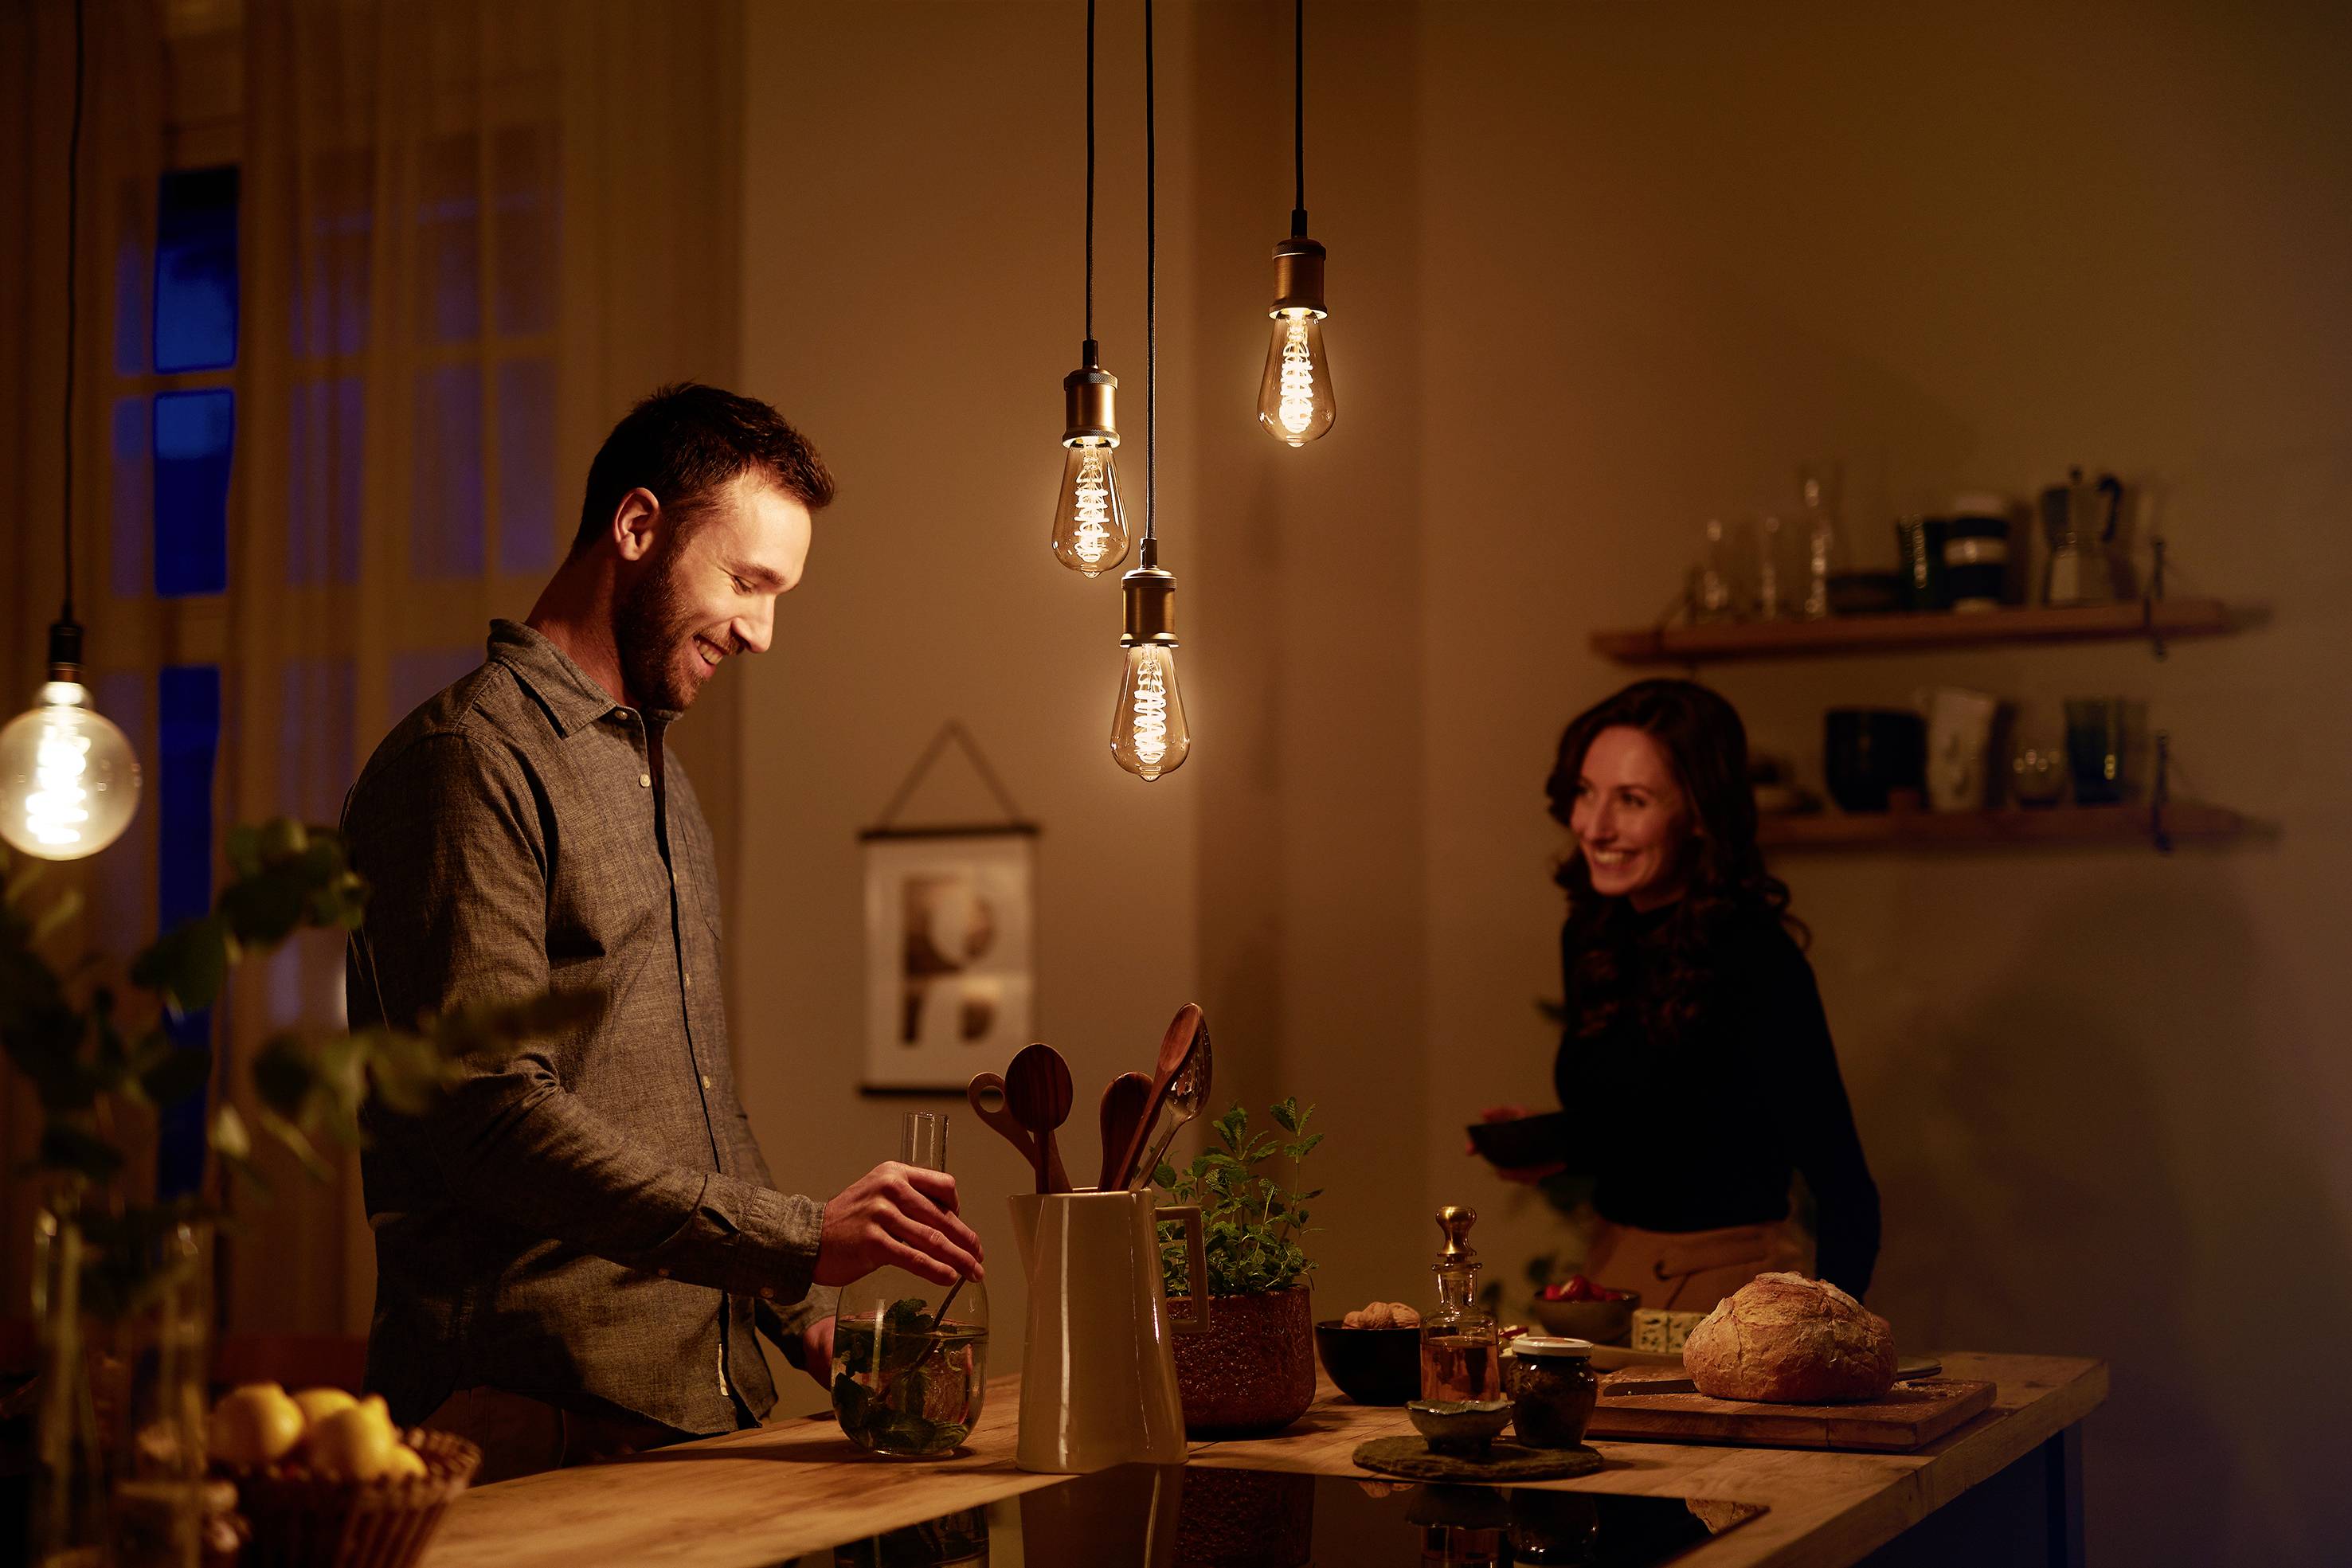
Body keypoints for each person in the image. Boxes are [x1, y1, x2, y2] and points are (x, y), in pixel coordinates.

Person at [342, 383, 985, 1481]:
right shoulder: (467, 762)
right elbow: (490, 1114)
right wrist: (797, 1237)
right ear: (637, 528)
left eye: (780, 594)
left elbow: (691, 1116)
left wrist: (799, 1320)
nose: (761, 632)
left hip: (698, 1418)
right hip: (533, 1427)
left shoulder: (659, 776)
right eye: (747, 581)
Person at [1476, 678, 1880, 1308]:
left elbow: (1842, 1179)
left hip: (1731, 1284)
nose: (1594, 826)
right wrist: (1552, 1143)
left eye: (1631, 800)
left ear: (1698, 813)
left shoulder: (1756, 958)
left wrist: (1830, 1328)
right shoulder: (1591, 935)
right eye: (1586, 793)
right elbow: (1661, 1128)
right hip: (1609, 1266)